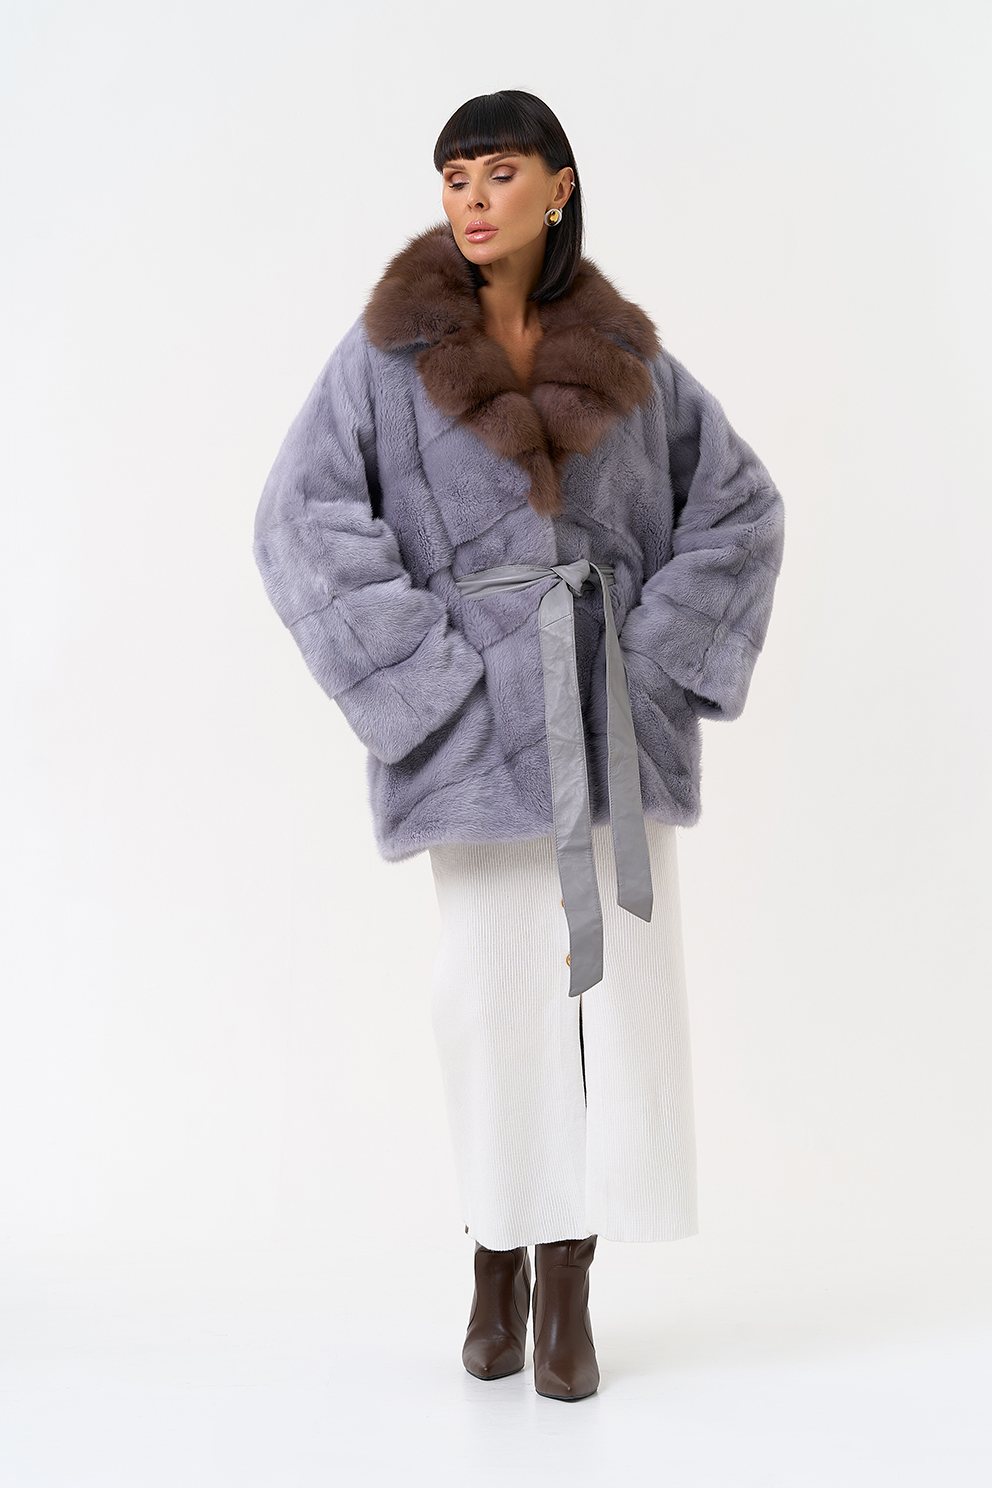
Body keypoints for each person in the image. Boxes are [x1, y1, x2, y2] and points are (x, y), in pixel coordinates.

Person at [254, 89, 785, 1401]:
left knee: (608, 1012)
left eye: (499, 171)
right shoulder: (385, 358)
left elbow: (741, 509)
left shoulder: (632, 362)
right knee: (493, 1008)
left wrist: (651, 670)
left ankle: (568, 1281)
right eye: (453, 177)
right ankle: (496, 1259)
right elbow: (299, 517)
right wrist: (430, 683)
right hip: (477, 737)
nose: (473, 199)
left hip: (609, 730)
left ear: (559, 185)